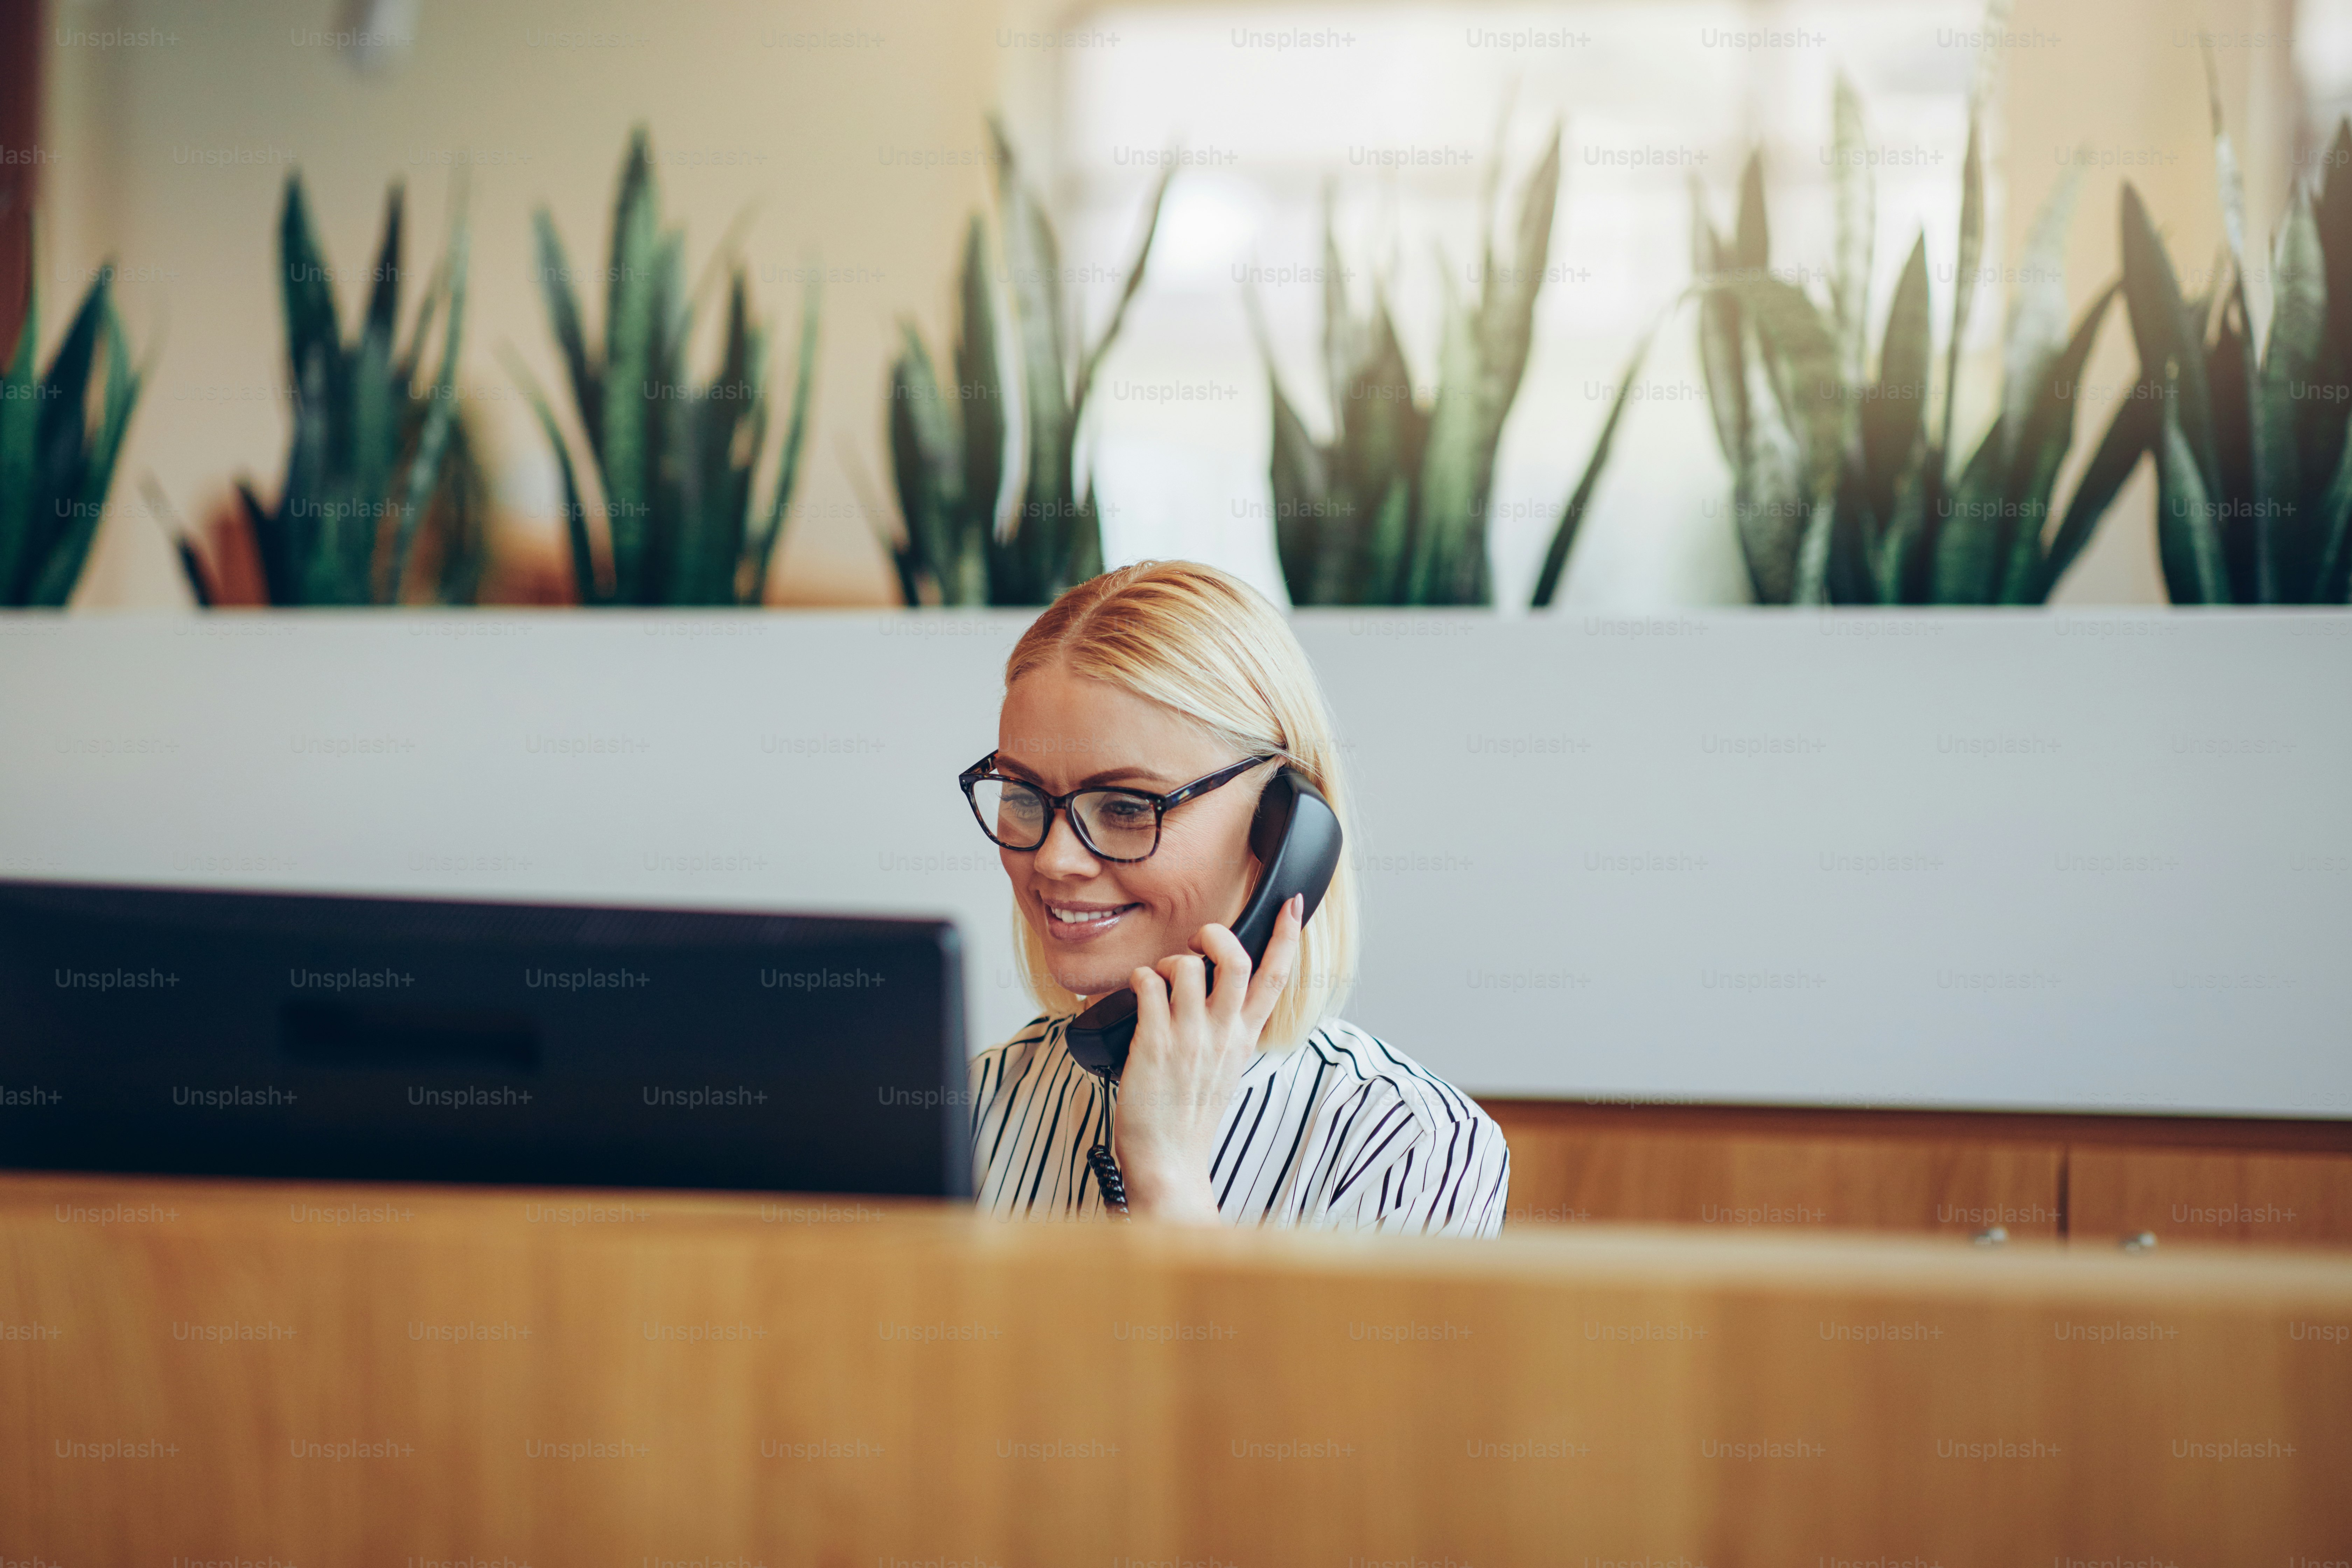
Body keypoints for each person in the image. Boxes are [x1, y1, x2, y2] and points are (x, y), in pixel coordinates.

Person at [961, 560, 1509, 1234]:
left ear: (1285, 833)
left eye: (1128, 807)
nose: (1054, 859)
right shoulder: (972, 1107)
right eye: (1023, 795)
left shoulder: (1409, 1148)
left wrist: (1169, 1179)